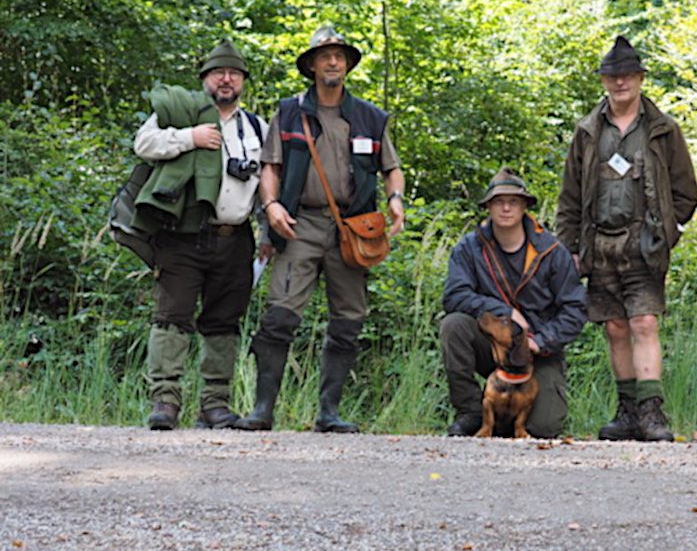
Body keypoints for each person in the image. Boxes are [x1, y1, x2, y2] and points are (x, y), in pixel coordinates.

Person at [234, 26, 405, 433]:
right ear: (311, 65)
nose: (333, 62)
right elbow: (270, 166)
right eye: (325, 56)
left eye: (340, 56)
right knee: (280, 316)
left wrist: (396, 200)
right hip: (300, 224)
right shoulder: (289, 112)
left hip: (352, 229)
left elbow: (392, 169)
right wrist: (271, 205)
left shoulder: (370, 117)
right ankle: (262, 410)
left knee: (349, 319)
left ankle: (329, 413)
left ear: (347, 65)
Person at [556, 36, 697, 442]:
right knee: (615, 327)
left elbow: (686, 191)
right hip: (598, 242)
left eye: (627, 76)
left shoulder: (663, 129)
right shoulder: (587, 130)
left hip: (643, 244)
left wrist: (665, 233)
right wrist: (569, 248)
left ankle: (653, 414)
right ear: (604, 81)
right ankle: (627, 412)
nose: (620, 83)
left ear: (640, 79)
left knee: (644, 321)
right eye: (612, 77)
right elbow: (569, 196)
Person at [135, 39, 268, 430]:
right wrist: (189, 138)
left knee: (223, 322)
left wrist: (267, 233)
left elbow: (266, 184)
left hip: (235, 237)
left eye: (234, 74)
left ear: (243, 81)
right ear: (204, 79)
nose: (226, 80)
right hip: (182, 234)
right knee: (170, 319)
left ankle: (215, 404)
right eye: (218, 73)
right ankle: (164, 401)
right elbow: (143, 144)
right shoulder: (181, 112)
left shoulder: (257, 126)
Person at [441, 168, 587, 438]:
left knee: (544, 428)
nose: (506, 208)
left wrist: (539, 342)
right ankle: (472, 413)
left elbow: (575, 310)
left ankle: (511, 422)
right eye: (498, 201)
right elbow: (454, 296)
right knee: (454, 326)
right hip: (492, 345)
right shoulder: (469, 248)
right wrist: (505, 311)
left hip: (536, 353)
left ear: (524, 206)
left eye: (514, 201)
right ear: (488, 206)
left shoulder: (552, 251)